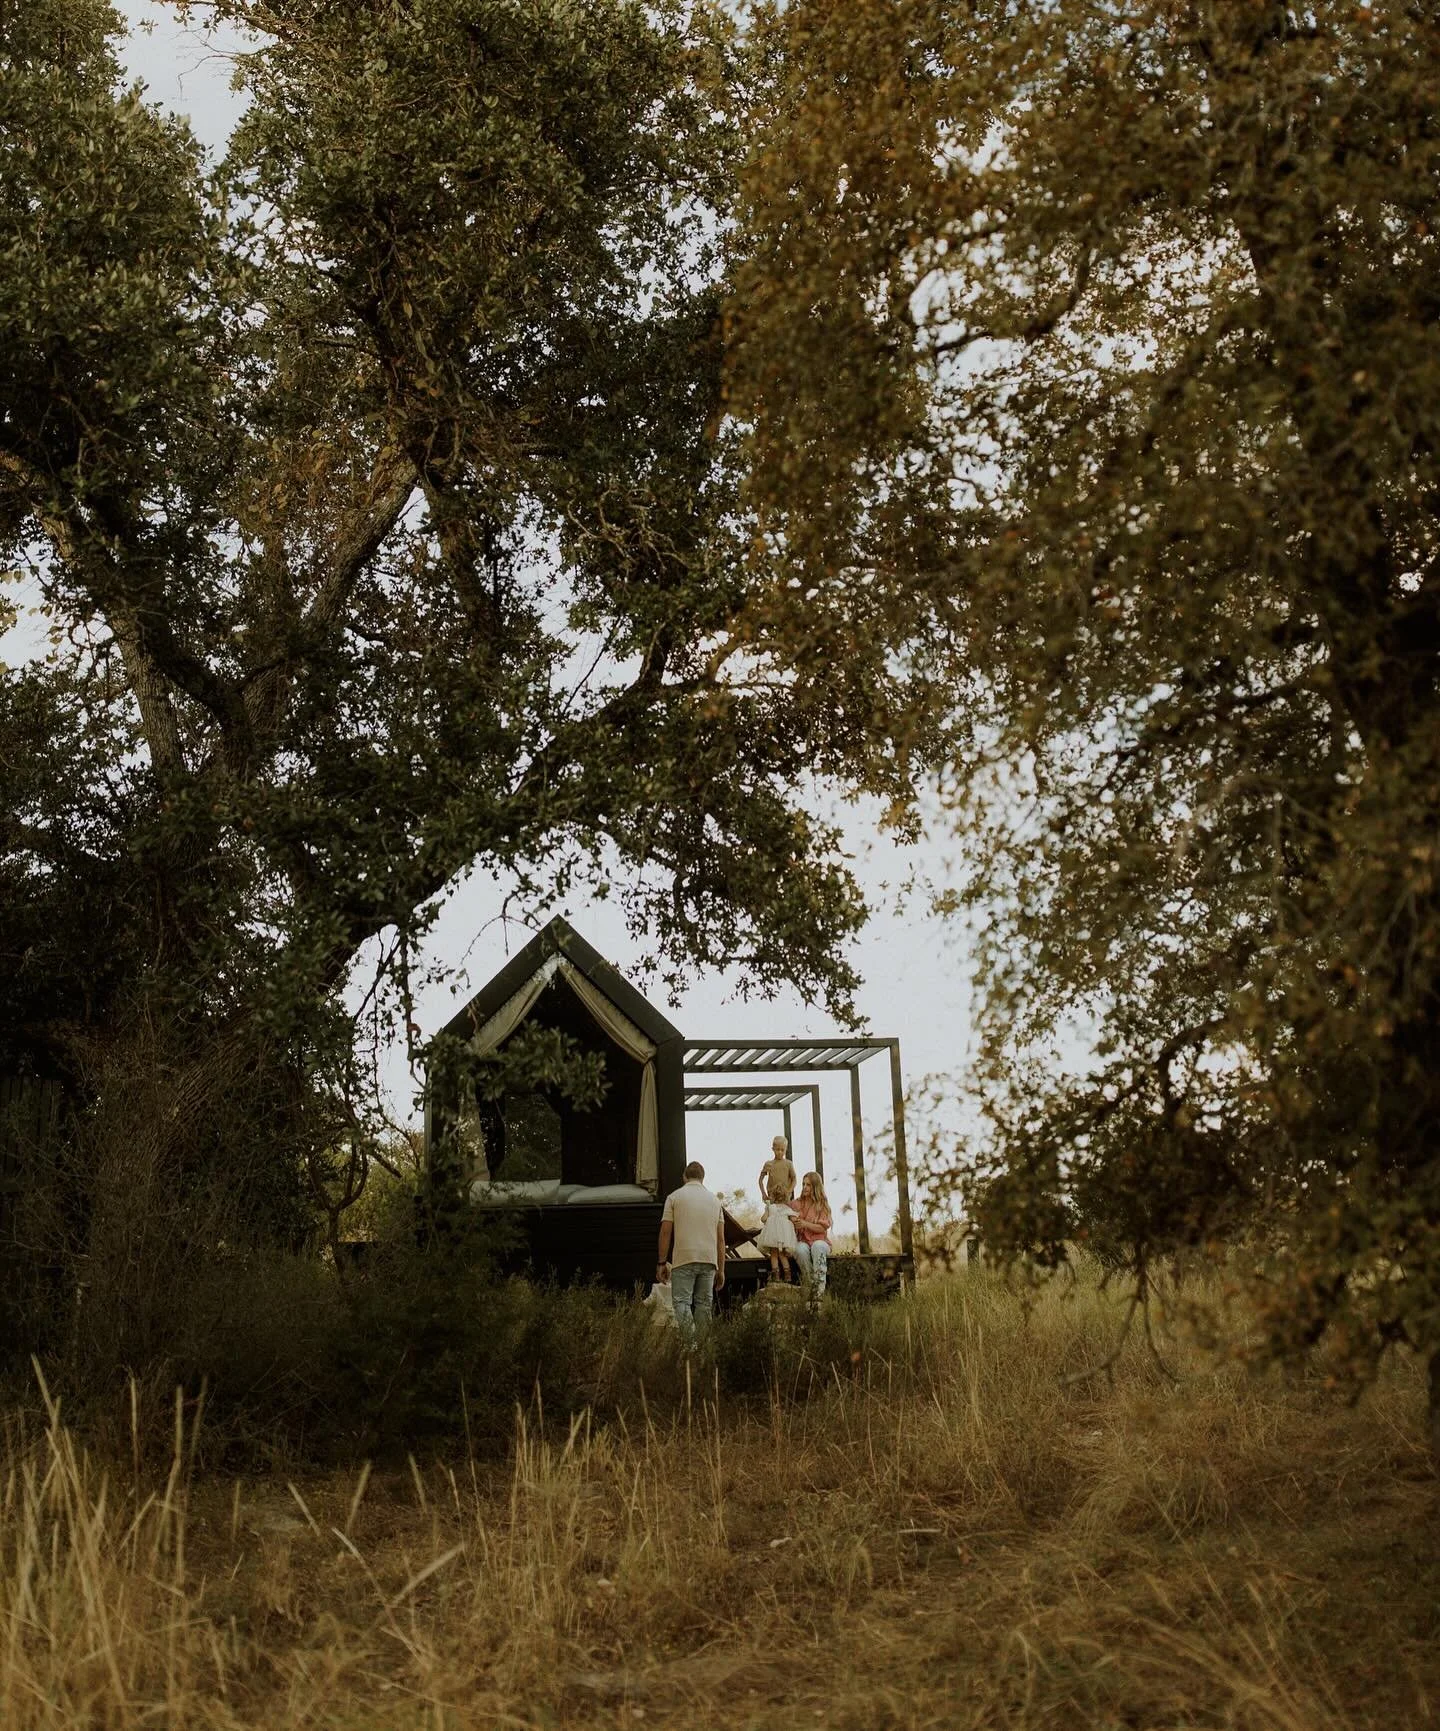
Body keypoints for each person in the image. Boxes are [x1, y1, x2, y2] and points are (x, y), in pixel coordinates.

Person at [657, 1160, 725, 1344]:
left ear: (684, 1177)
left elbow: (665, 1232)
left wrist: (662, 1262)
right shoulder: (715, 1201)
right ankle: (702, 1347)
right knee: (704, 1304)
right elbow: (721, 1240)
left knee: (681, 1302)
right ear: (703, 1178)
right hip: (709, 1260)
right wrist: (721, 1269)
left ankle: (691, 1345)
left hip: (684, 1258)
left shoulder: (674, 1197)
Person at [755, 1134, 799, 1282]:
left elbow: (794, 1179)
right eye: (777, 1149)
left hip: (785, 1199)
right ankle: (776, 1274)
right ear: (773, 1149)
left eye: (782, 1150)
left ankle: (786, 1270)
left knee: (784, 1224)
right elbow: (760, 1179)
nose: (780, 1152)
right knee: (772, 1226)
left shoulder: (788, 1164)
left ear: (785, 1149)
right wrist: (763, 1194)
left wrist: (789, 1191)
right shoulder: (769, 1164)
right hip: (772, 1199)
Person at [790, 1171, 833, 1297]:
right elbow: (785, 1210)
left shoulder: (822, 1204)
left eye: (808, 1185)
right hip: (803, 1241)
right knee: (799, 1249)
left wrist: (804, 1224)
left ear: (815, 1186)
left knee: (817, 1246)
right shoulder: (797, 1203)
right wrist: (793, 1219)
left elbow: (822, 1228)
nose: (804, 1187)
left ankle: (819, 1291)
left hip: (820, 1242)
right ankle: (810, 1286)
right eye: (803, 1184)